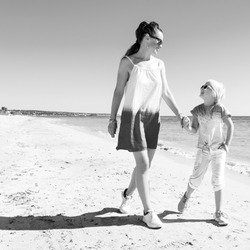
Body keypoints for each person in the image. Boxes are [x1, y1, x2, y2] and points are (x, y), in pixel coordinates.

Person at [108, 21, 184, 229]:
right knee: (142, 166)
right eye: (160, 40)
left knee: (145, 166)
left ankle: (126, 194)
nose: (162, 45)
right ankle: (148, 213)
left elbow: (166, 93)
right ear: (147, 38)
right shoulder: (128, 63)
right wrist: (112, 119)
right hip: (133, 117)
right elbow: (118, 92)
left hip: (153, 118)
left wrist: (179, 115)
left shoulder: (160, 65)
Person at [178, 79, 234, 226]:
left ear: (214, 93)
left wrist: (226, 145)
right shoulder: (197, 110)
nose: (202, 87)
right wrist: (186, 127)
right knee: (196, 177)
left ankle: (218, 212)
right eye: (202, 86)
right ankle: (186, 196)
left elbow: (230, 125)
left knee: (217, 179)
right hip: (203, 150)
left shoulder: (220, 108)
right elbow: (194, 130)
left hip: (218, 150)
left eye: (206, 87)